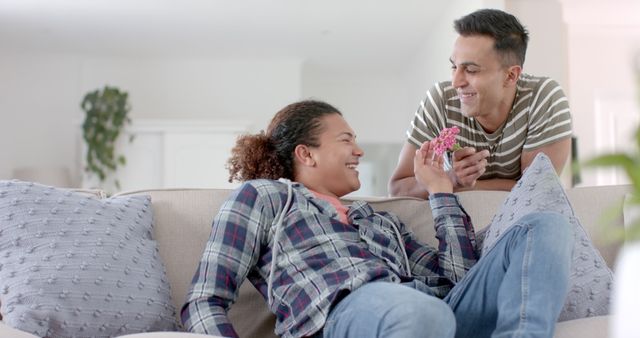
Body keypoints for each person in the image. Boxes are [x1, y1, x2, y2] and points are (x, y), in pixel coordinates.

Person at [181, 100, 572, 338]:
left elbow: (461, 280)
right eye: (346, 139)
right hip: (347, 315)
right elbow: (203, 300)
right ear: (306, 154)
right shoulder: (266, 197)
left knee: (544, 226)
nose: (359, 150)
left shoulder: (378, 220)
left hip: (436, 313)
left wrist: (439, 190)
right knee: (421, 313)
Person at [389, 8, 573, 199]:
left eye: (471, 69)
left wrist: (462, 186)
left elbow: (535, 191)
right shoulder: (441, 101)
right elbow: (398, 188)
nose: (456, 82)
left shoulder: (543, 99)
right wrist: (452, 178)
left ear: (511, 76)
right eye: (454, 66)